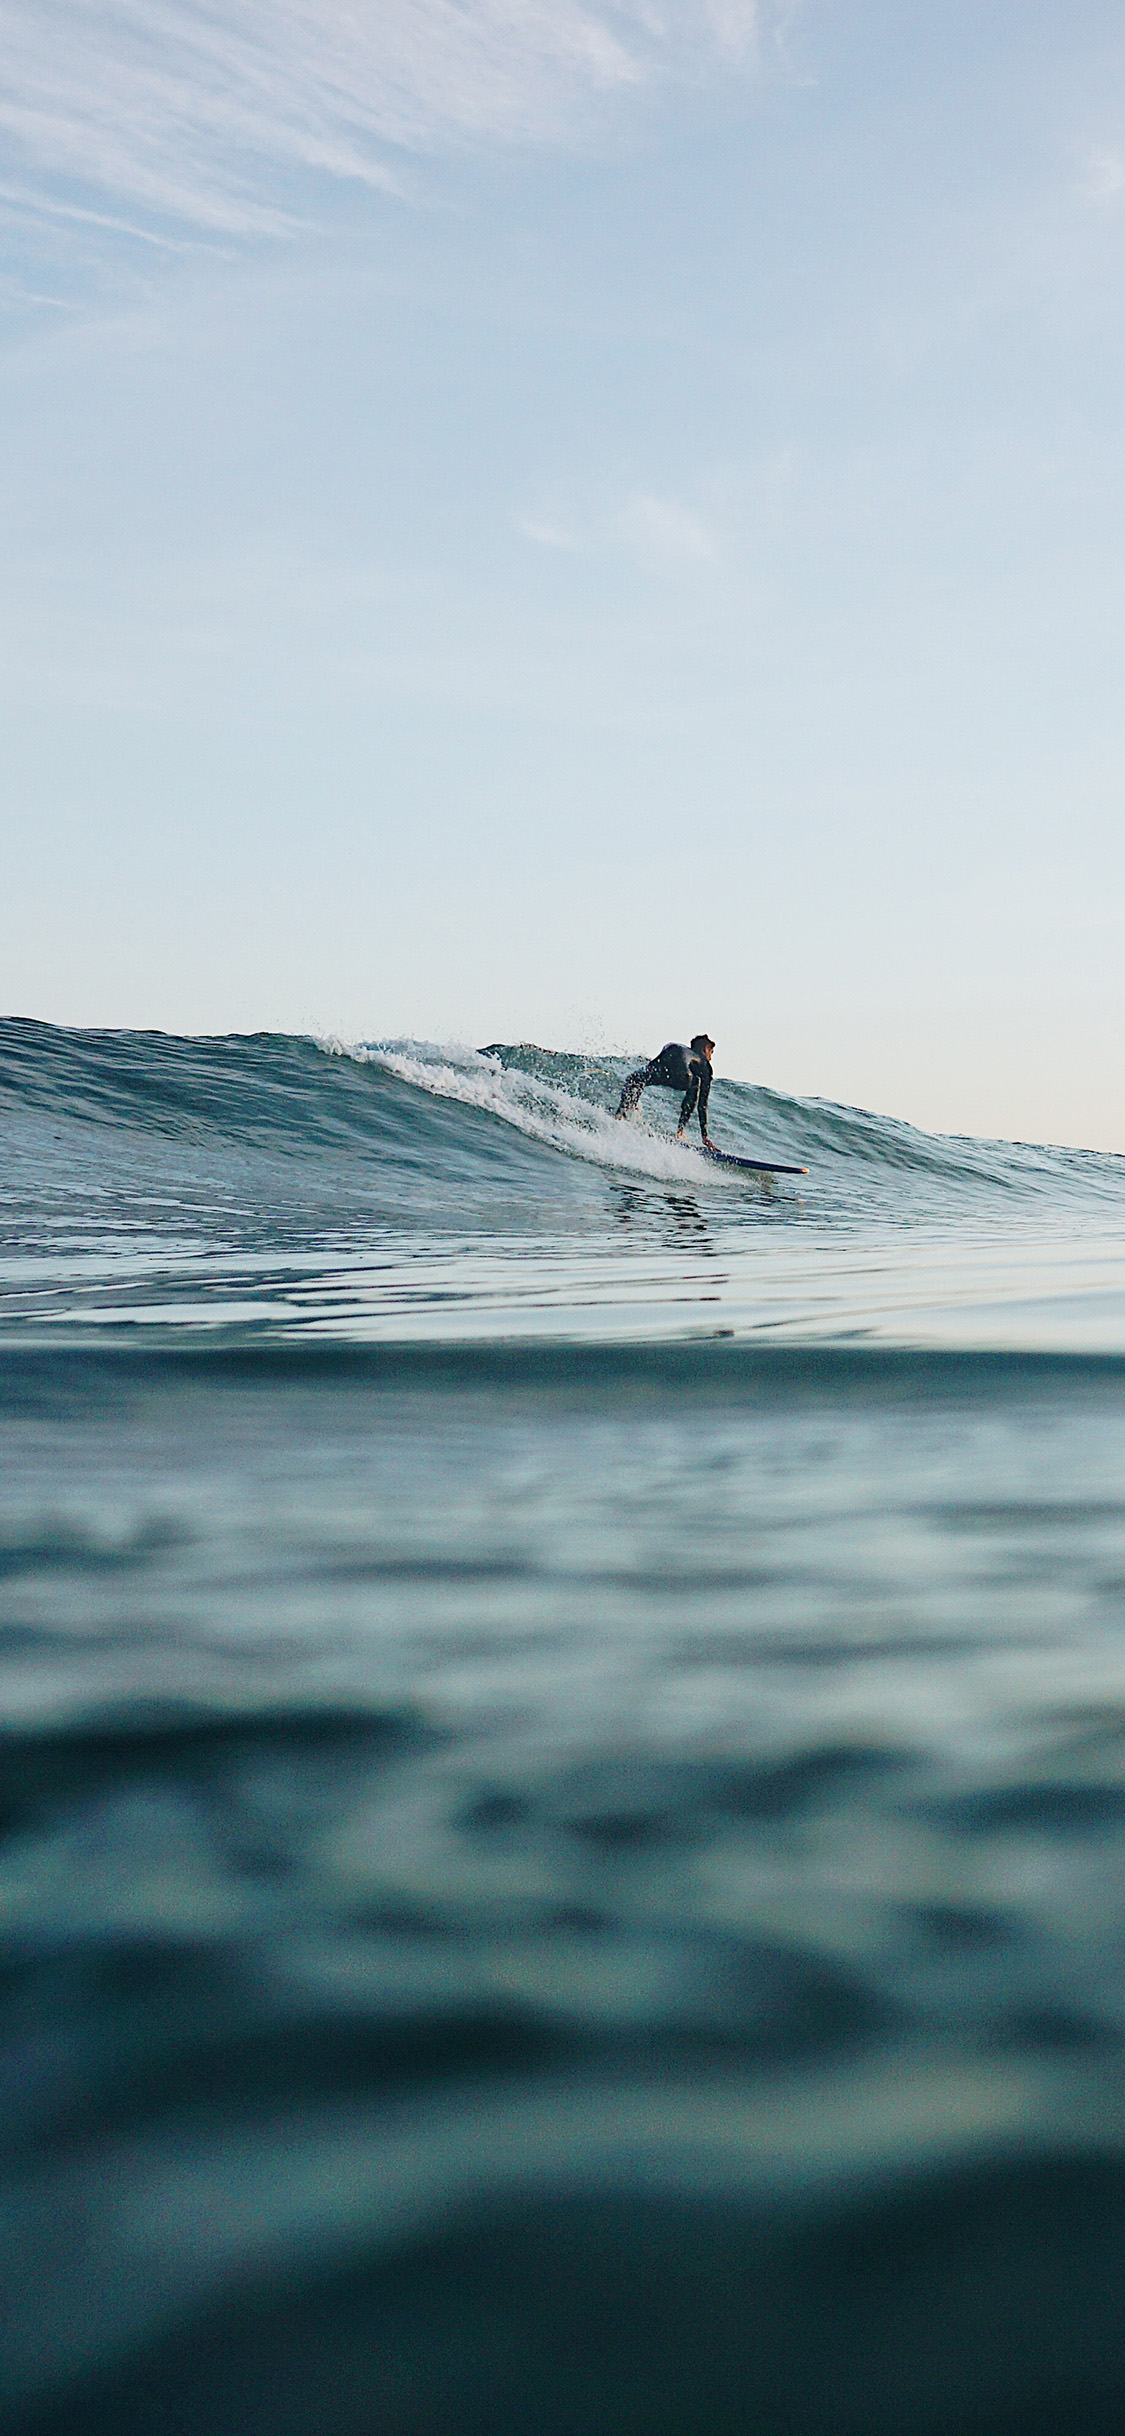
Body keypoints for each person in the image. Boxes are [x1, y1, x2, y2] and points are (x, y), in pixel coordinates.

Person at [615, 1035, 715, 1143]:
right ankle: (680, 1131)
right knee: (695, 1083)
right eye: (711, 1053)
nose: (710, 1058)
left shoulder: (678, 1047)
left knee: (634, 1079)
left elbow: (651, 1066)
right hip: (682, 1076)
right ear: (706, 1049)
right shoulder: (704, 1064)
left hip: (663, 1066)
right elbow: (702, 1104)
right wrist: (704, 1135)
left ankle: (621, 1114)